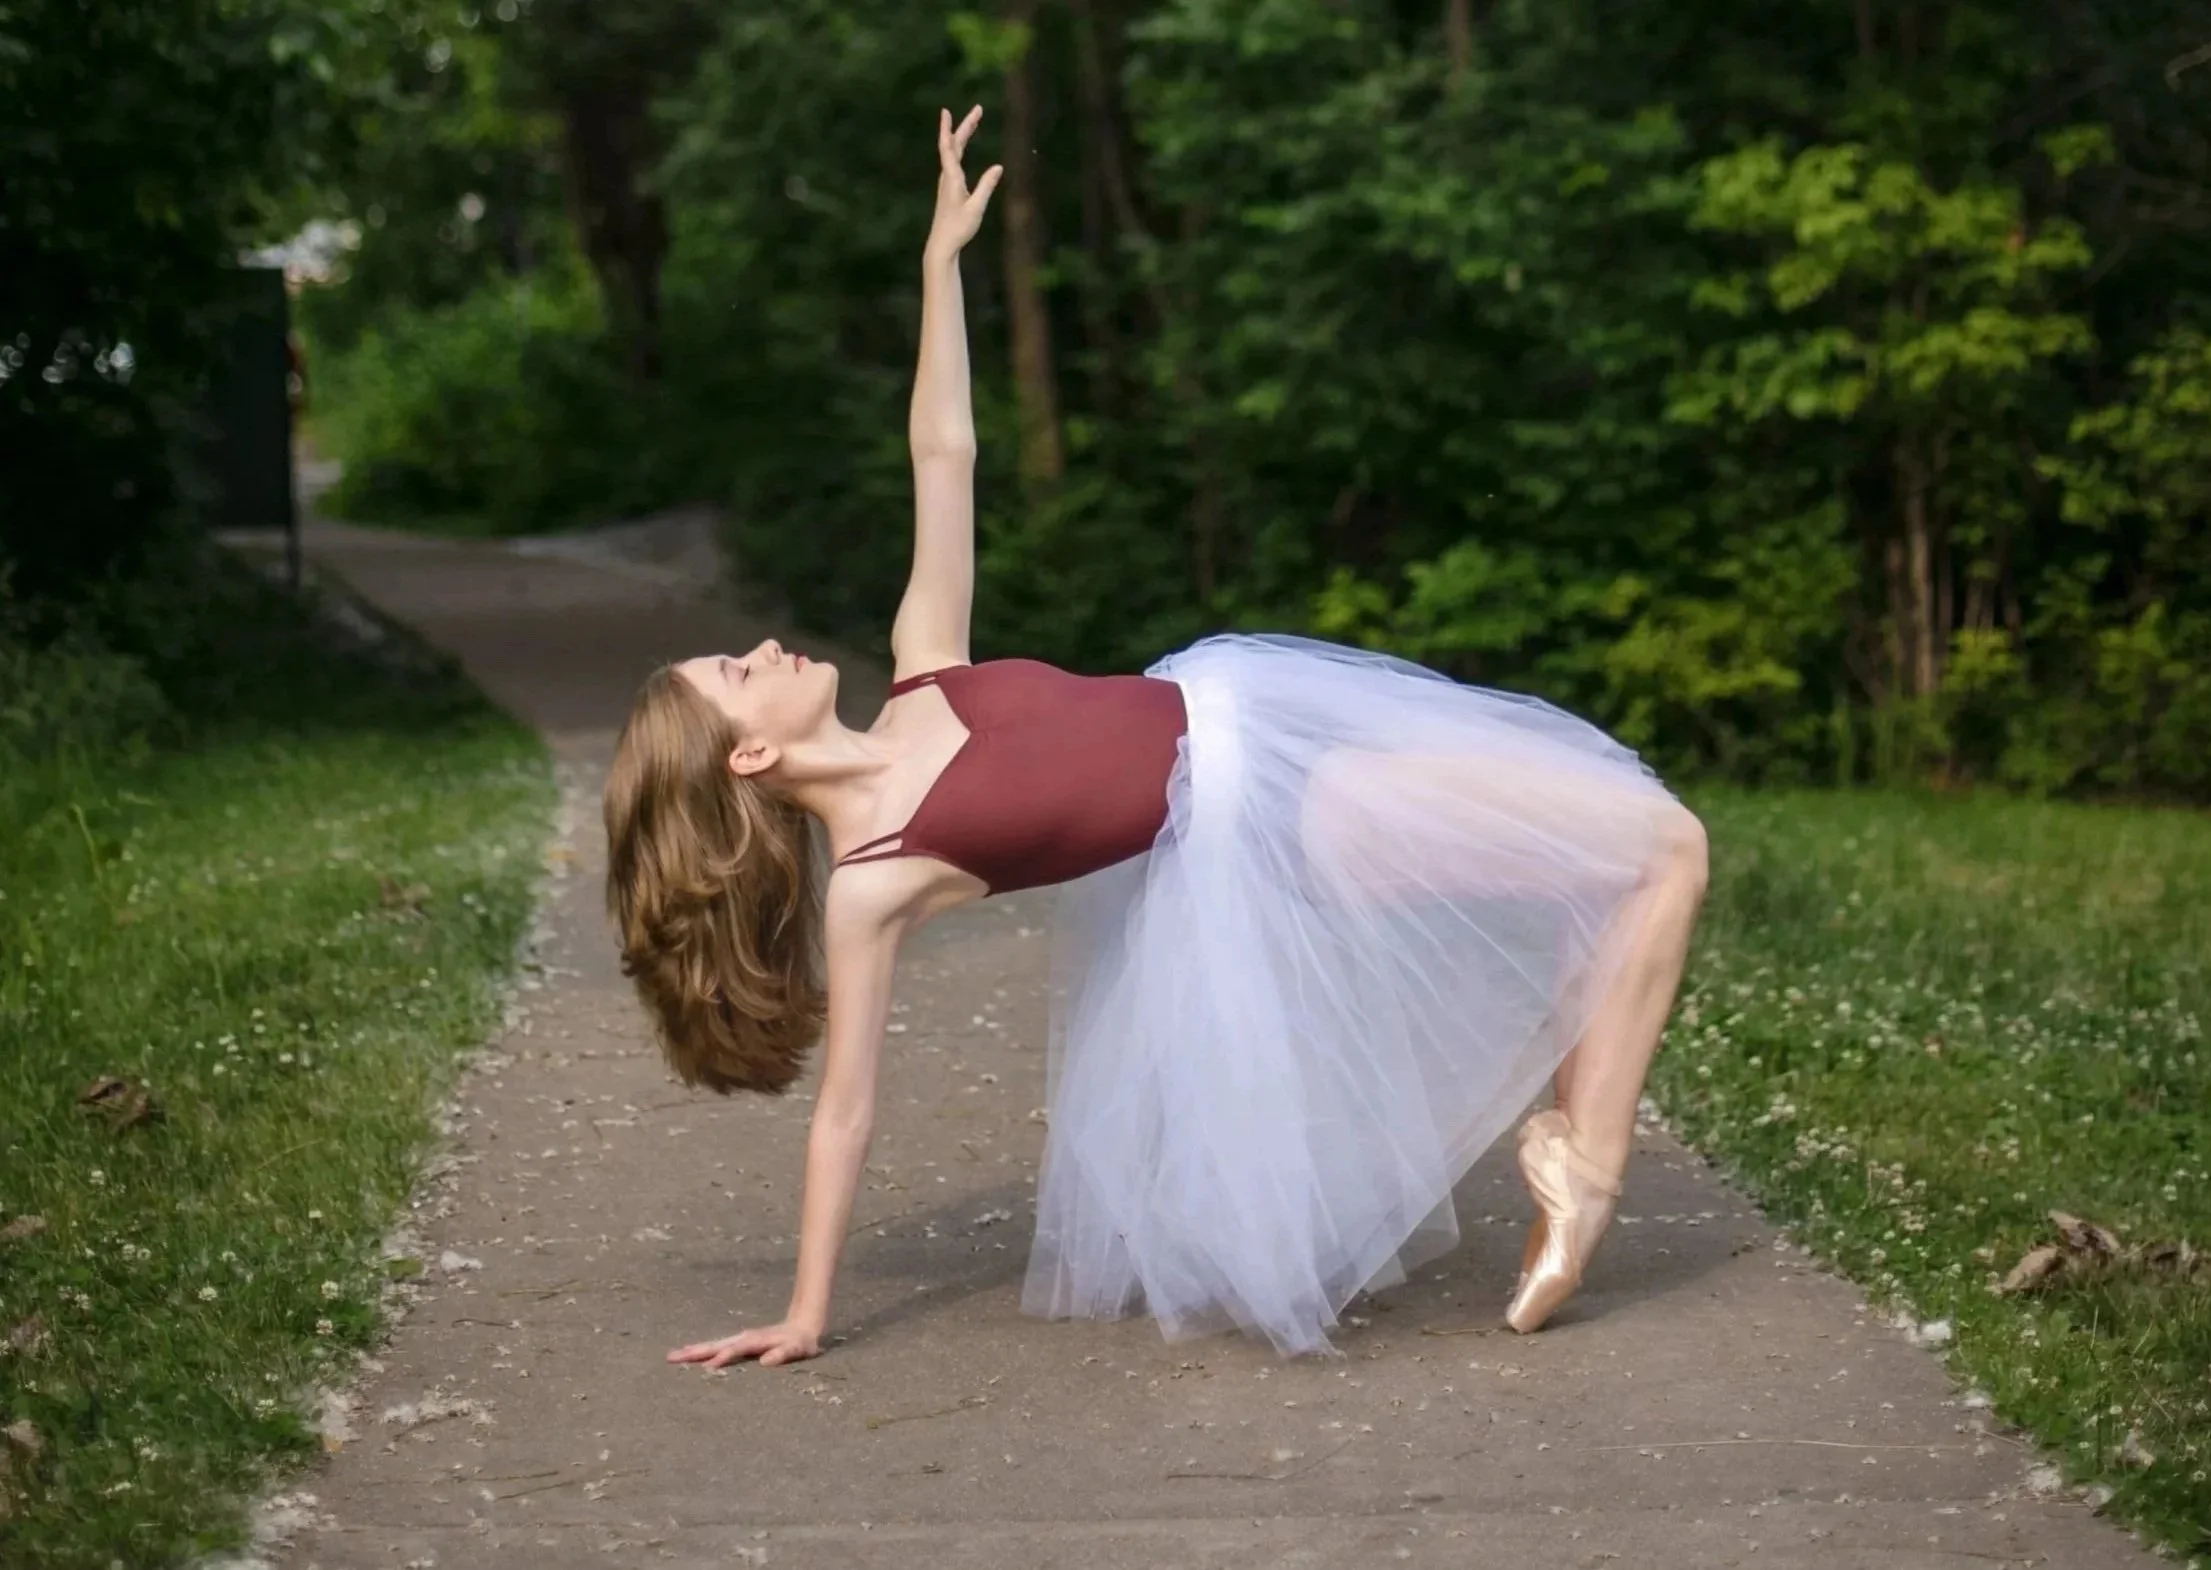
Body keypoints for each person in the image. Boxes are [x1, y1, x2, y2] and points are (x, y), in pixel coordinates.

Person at [602, 107, 1710, 1368]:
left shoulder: (925, 670)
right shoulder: (873, 878)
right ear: (749, 757)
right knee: (1660, 847)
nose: (766, 651)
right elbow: (846, 1112)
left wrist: (938, 266)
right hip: (1289, 808)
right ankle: (1586, 1167)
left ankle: (1576, 1138)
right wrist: (807, 1314)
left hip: (1267, 727)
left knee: (1632, 861)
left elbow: (943, 450)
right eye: (741, 674)